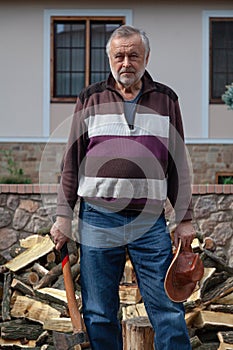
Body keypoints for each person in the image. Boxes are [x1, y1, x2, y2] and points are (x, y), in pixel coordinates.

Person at [50, 25, 195, 350]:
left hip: (150, 221)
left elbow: (178, 165)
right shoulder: (90, 97)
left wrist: (184, 218)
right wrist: (63, 216)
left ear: (146, 57)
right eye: (119, 55)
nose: (126, 62)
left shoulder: (166, 99)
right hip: (98, 218)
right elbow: (71, 161)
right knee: (100, 313)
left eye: (133, 55)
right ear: (110, 59)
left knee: (168, 309)